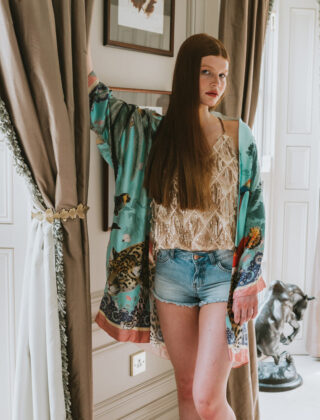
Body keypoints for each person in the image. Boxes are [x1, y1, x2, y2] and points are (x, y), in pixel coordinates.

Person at [87, 33, 266, 420]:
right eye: (207, 72)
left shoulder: (238, 135)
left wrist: (249, 282)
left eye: (223, 75)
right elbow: (100, 105)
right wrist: (77, 48)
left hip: (221, 274)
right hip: (171, 273)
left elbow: (254, 211)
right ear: (187, 74)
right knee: (186, 389)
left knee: (208, 399)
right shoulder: (153, 133)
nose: (217, 83)